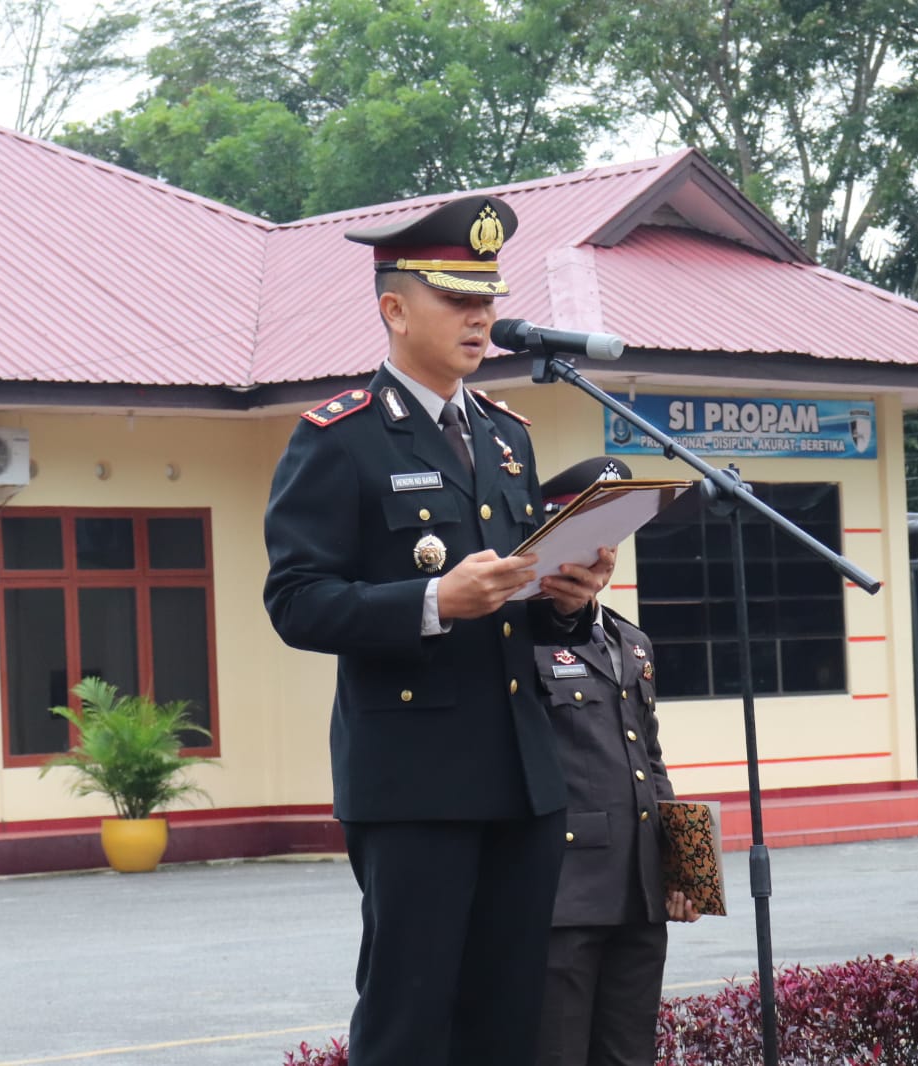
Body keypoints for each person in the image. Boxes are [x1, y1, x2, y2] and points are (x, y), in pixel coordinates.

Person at [262, 193, 614, 1066]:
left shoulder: (505, 438)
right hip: (413, 781)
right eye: (457, 297)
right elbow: (297, 601)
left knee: (507, 1019)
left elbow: (514, 609)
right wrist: (430, 604)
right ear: (393, 308)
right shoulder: (338, 439)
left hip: (522, 774)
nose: (481, 316)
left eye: (487, 298)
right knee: (410, 1020)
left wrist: (568, 597)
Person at [531, 457, 700, 1066]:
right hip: (562, 895)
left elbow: (648, 758)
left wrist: (680, 866)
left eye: (614, 538)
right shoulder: (522, 638)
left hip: (639, 891)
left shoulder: (631, 641)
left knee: (628, 1056)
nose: (603, 554)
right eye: (587, 538)